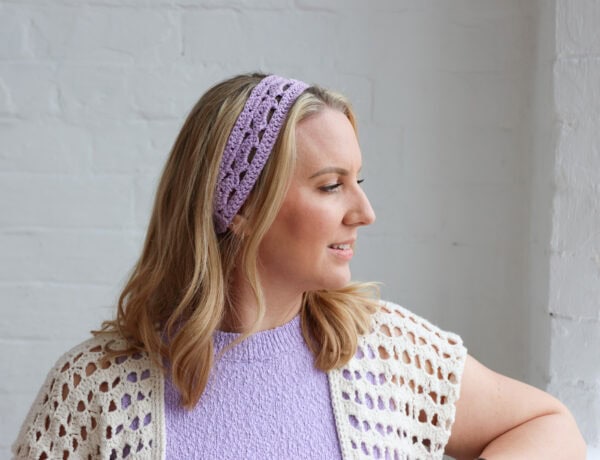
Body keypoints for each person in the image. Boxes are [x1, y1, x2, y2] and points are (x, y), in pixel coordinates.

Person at [13, 73, 585, 460]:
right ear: (240, 208)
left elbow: (549, 427)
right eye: (331, 185)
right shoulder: (95, 389)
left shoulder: (385, 351)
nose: (364, 212)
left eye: (358, 181)